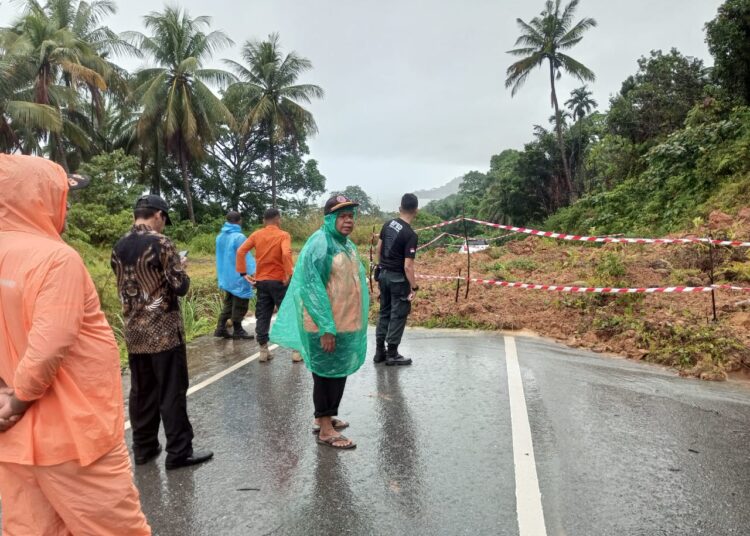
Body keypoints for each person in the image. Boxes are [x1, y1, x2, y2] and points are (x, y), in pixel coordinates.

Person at [0, 154, 151, 535]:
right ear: (40, 197)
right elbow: (50, 345)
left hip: (14, 439)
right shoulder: (56, 259)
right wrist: (18, 399)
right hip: (73, 434)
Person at [111, 194, 213, 470]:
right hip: (164, 332)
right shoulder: (161, 243)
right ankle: (179, 451)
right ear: (158, 215)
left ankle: (143, 447)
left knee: (142, 392)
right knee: (172, 391)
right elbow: (180, 286)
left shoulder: (119, 245)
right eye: (164, 219)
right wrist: (182, 269)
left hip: (134, 332)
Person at [270, 195, 369, 449]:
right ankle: (325, 429)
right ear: (330, 218)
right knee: (326, 376)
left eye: (350, 216)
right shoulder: (321, 244)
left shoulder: (344, 244)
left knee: (336, 373)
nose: (348, 221)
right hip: (325, 326)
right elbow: (312, 289)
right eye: (342, 216)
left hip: (344, 323)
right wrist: (326, 327)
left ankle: (325, 417)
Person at [236, 208, 301, 363]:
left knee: (263, 314)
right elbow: (286, 254)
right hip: (279, 281)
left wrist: (243, 273)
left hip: (262, 282)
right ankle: (296, 352)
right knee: (288, 314)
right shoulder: (283, 235)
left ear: (264, 220)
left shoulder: (257, 234)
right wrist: (289, 274)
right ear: (278, 219)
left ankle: (263, 350)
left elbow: (240, 251)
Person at [374, 193, 420, 366]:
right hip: (398, 280)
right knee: (398, 314)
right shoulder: (410, 235)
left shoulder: (387, 224)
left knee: (384, 312)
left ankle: (380, 352)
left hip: (383, 275)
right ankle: (392, 353)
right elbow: (408, 266)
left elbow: (378, 249)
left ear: (400, 208)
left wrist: (380, 268)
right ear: (416, 210)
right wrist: (414, 287)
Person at [215, 211, 256, 339]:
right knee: (241, 303)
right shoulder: (239, 237)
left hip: (225, 275)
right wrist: (252, 273)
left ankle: (220, 327)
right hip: (239, 275)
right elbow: (245, 257)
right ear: (239, 221)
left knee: (229, 302)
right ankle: (238, 330)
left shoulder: (220, 236)